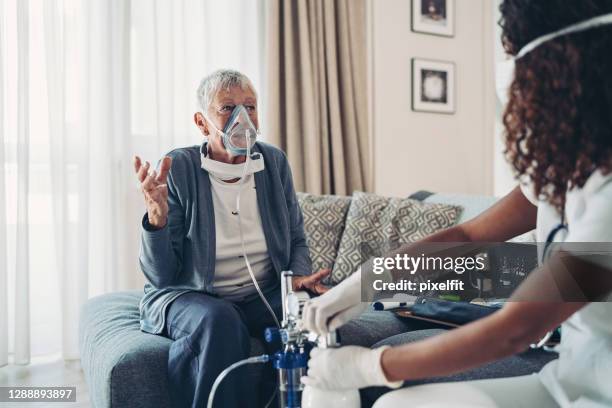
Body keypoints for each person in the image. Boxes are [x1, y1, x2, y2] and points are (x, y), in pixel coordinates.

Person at [301, 1, 612, 407]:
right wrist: (365, 283)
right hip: (568, 379)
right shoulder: (568, 170)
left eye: (515, 57)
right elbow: (469, 236)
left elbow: (514, 330)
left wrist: (371, 366)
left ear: (562, 68)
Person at [133, 69, 328, 408]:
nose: (243, 117)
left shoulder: (273, 162)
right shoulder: (179, 167)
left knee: (308, 315)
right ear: (201, 121)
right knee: (220, 319)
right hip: (191, 296)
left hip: (260, 293)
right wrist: (157, 219)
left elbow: (296, 237)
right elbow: (161, 276)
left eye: (250, 106)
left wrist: (295, 280)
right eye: (227, 108)